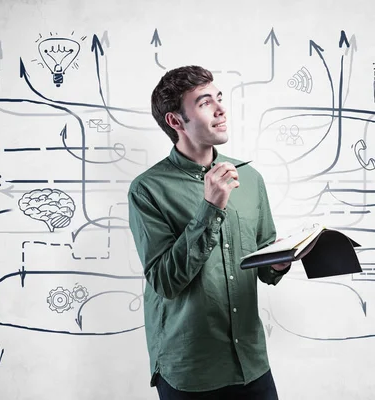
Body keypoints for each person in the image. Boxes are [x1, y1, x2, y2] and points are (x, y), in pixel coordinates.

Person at [128, 65, 291, 399]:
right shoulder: (147, 189)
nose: (221, 109)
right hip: (190, 368)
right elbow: (164, 280)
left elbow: (262, 263)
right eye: (205, 103)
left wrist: (278, 264)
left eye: (219, 98)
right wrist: (211, 207)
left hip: (251, 362)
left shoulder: (250, 178)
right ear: (176, 121)